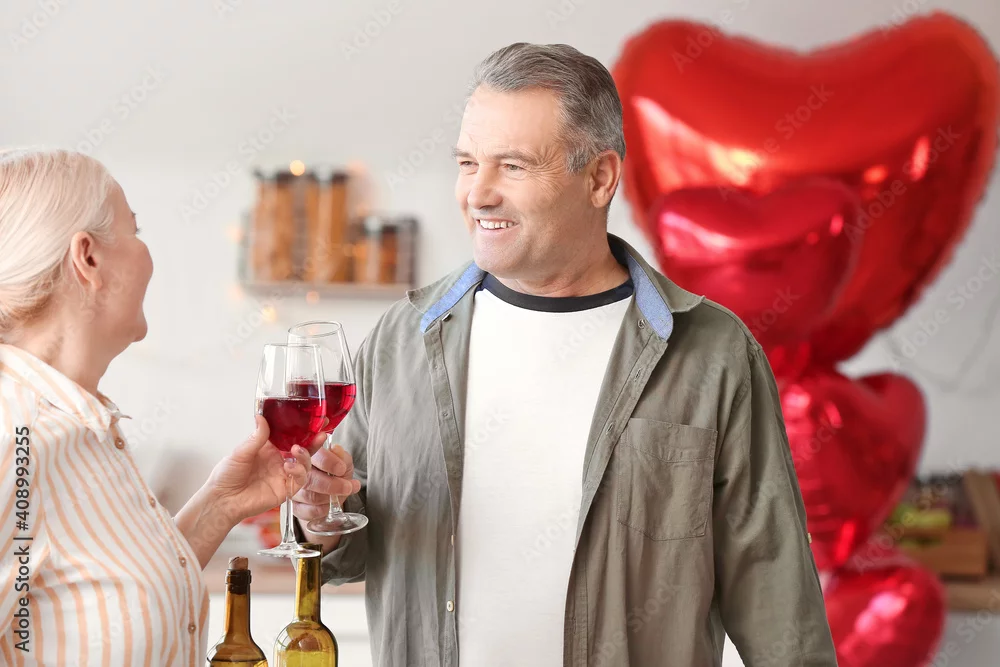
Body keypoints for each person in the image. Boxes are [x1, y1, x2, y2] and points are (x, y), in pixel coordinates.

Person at [292, 43, 838, 666]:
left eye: (513, 166)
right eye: (468, 163)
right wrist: (320, 514)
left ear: (600, 179)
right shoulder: (403, 339)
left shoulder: (712, 353)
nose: (478, 193)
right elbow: (346, 544)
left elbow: (777, 601)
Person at [0, 148, 318, 665]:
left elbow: (109, 601)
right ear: (88, 258)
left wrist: (221, 504)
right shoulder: (14, 434)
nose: (148, 254)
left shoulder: (83, 426)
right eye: (136, 230)